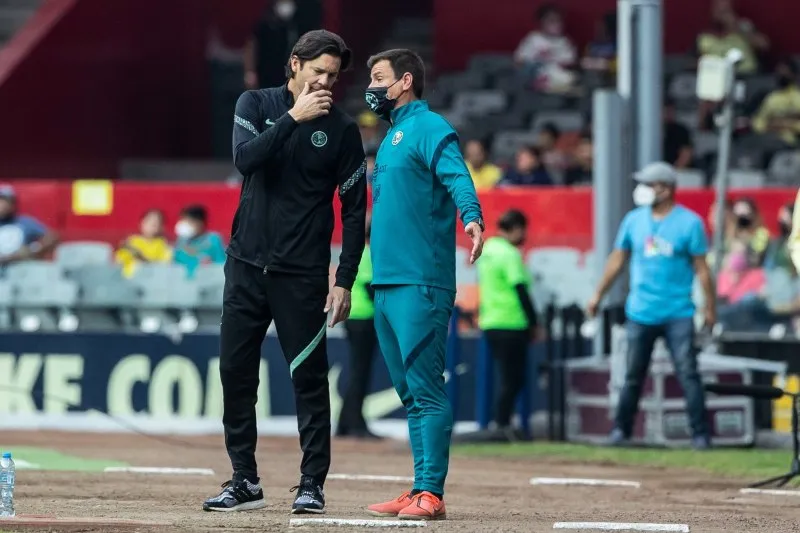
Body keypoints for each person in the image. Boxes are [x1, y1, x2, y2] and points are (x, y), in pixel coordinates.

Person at [203, 30, 367, 515]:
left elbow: (355, 211)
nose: (326, 83)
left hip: (302, 274)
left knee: (309, 379)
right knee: (235, 373)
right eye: (318, 71)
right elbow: (245, 160)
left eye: (333, 76)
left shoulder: (342, 130)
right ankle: (244, 481)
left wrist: (345, 279)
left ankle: (312, 484)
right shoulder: (255, 104)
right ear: (295, 64)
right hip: (245, 266)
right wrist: (294, 117)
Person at [363, 48, 484, 521]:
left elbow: (457, 175)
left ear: (405, 81)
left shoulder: (430, 126)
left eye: (379, 77)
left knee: (427, 391)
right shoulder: (391, 136)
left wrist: (471, 216)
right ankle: (418, 486)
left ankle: (431, 492)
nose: (371, 87)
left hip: (421, 282)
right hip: (386, 284)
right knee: (410, 394)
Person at [587, 162, 715, 450]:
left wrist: (710, 308)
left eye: (648, 184)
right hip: (640, 312)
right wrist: (597, 295)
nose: (642, 189)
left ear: (666, 189)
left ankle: (700, 435)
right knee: (632, 375)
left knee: (688, 374)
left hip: (678, 312)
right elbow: (617, 260)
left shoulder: (690, 223)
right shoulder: (633, 220)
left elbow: (702, 269)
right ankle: (621, 431)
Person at [476, 209, 539, 439]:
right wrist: (534, 322)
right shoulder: (510, 254)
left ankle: (501, 424)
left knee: (506, 377)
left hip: (490, 321)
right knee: (514, 379)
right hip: (512, 322)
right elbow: (520, 289)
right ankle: (502, 425)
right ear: (516, 229)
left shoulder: (488, 250)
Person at [337, 212, 381, 440]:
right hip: (364, 319)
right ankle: (355, 422)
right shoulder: (369, 254)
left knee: (357, 370)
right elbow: (370, 288)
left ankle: (346, 422)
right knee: (360, 372)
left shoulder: (359, 252)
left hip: (354, 317)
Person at [0, 185, 59, 268]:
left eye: (7, 202)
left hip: (19, 269)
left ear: (13, 204)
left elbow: (52, 237)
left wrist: (32, 249)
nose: (3, 205)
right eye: (1, 201)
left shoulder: (24, 222)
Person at [114, 209, 171, 278]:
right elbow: (119, 260)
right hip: (129, 279)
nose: (151, 225)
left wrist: (140, 257)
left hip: (150, 280)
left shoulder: (163, 245)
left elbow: (162, 264)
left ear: (160, 227)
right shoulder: (132, 241)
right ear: (141, 223)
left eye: (155, 223)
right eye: (148, 221)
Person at [172, 204, 226, 277]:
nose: (185, 225)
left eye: (189, 222)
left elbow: (221, 264)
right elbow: (174, 262)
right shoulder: (181, 240)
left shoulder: (213, 239)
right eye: (183, 220)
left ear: (200, 222)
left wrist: (211, 264)